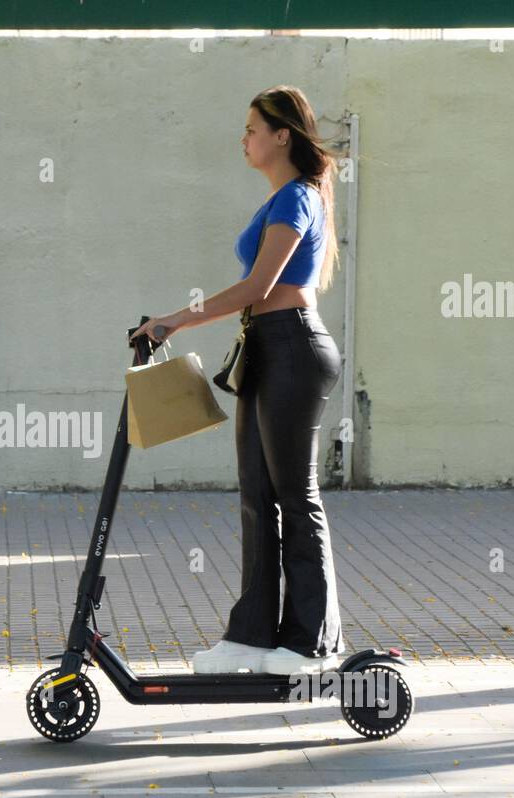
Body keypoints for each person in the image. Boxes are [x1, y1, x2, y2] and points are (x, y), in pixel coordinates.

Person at [130, 86, 344, 676]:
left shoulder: (297, 199)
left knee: (296, 498)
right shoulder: (278, 200)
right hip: (266, 349)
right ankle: (251, 636)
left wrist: (176, 317)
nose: (243, 139)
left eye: (253, 128)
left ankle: (310, 645)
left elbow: (258, 288)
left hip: (294, 347)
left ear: (282, 135)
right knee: (258, 496)